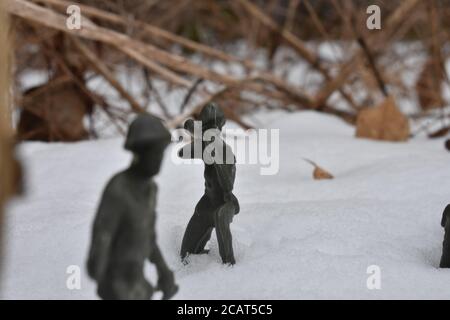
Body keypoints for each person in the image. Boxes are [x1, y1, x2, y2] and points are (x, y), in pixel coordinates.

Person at [87, 114, 178, 299]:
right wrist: (105, 278)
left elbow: (148, 236)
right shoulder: (118, 189)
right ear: (138, 153)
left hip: (136, 282)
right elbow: (102, 236)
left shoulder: (151, 189)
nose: (158, 159)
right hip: (117, 284)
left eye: (160, 153)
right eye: (153, 153)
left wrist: (163, 270)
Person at [179, 103, 240, 265]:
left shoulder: (223, 149)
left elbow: (227, 182)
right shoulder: (206, 145)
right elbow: (183, 153)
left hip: (224, 203)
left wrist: (198, 132)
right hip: (208, 201)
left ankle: (230, 267)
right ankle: (196, 256)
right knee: (186, 253)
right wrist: (198, 136)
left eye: (211, 128)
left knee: (220, 219)